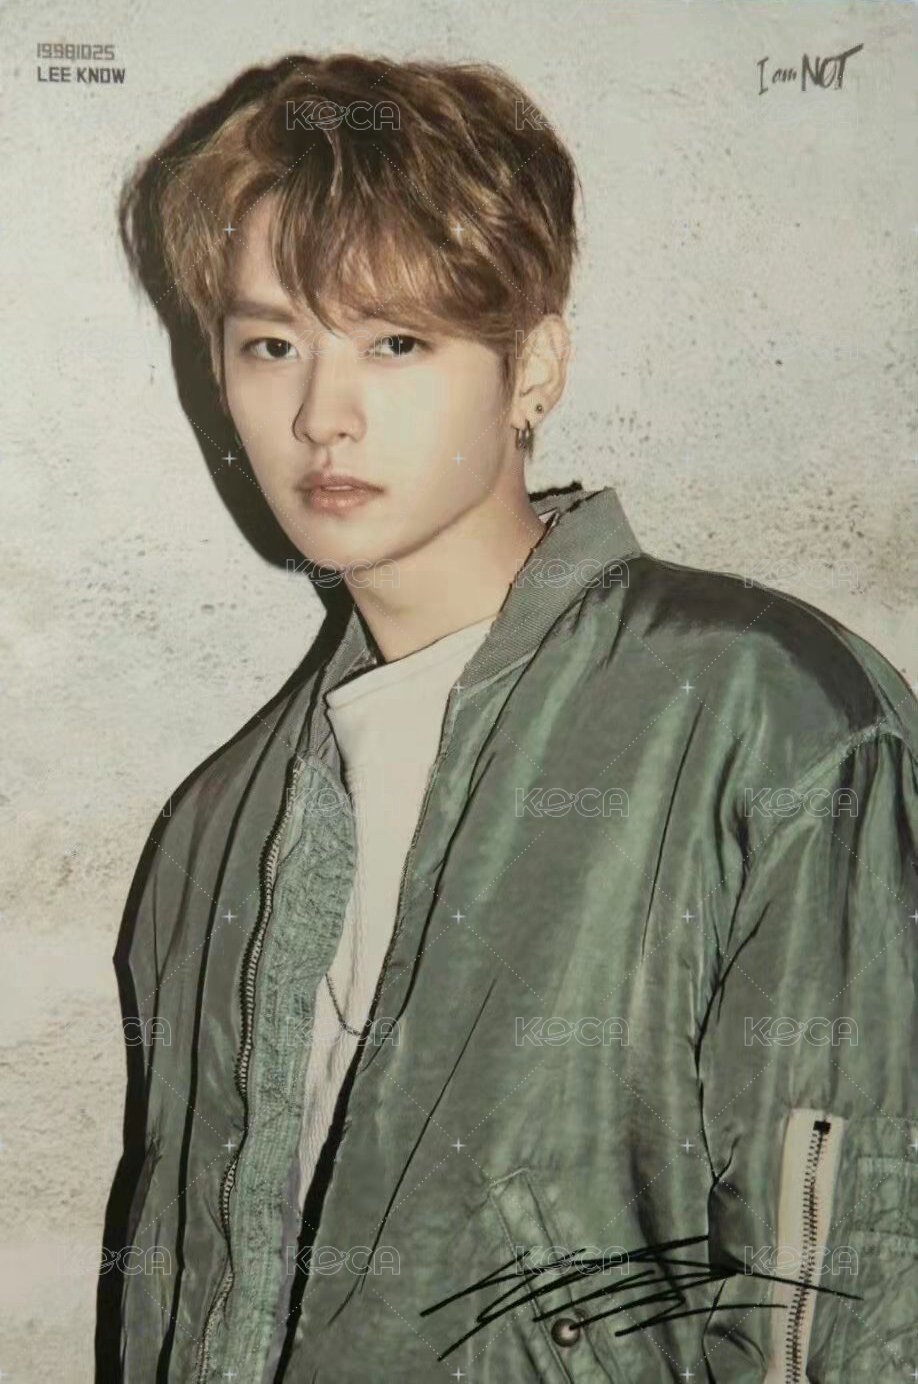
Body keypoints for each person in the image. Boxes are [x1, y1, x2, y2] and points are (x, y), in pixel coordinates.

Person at [102, 52, 918, 1384]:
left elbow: (855, 1294)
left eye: (395, 341)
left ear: (531, 365)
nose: (320, 414)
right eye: (272, 344)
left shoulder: (761, 719)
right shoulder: (214, 832)